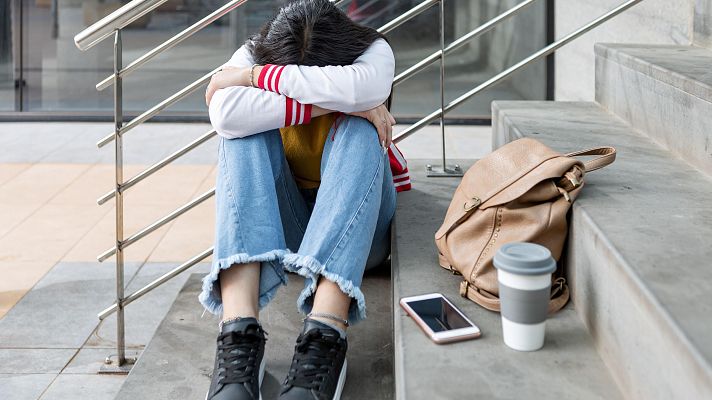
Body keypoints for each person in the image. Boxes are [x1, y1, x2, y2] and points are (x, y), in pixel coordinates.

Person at [201, 1, 409, 399]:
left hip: (364, 233)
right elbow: (225, 115)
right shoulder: (252, 52)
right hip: (289, 227)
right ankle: (239, 334)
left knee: (359, 129)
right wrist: (339, 99)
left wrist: (252, 81)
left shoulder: (374, 51)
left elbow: (363, 89)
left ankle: (325, 334)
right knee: (240, 136)